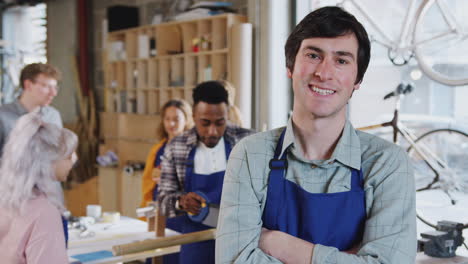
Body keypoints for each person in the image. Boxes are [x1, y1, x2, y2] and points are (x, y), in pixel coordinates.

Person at [216, 6, 416, 264]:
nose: (324, 73)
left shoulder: (388, 165)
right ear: (290, 66)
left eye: (341, 60)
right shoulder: (250, 155)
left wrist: (279, 244)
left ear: (357, 80)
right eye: (313, 55)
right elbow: (234, 260)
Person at [157, 80, 254, 264]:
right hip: (196, 242)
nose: (212, 131)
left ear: (227, 114)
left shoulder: (248, 142)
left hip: (240, 241)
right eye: (205, 123)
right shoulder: (176, 148)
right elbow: (162, 201)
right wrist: (181, 202)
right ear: (193, 116)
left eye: (220, 123)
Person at [0, 109, 78, 264]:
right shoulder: (44, 213)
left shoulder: (6, 199)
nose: (72, 162)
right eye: (69, 156)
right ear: (49, 161)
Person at [140, 99, 193, 211]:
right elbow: (148, 183)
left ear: (187, 120)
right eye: (167, 119)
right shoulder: (158, 149)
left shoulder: (193, 149)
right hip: (157, 205)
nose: (171, 123)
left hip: (181, 209)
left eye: (176, 119)